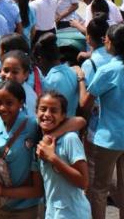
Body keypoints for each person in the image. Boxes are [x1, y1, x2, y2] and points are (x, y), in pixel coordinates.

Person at [78, 24, 124, 219]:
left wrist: (81, 80)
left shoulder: (109, 70)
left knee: (99, 189)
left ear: (110, 42)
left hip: (110, 138)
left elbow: (85, 103)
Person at [0, 80, 42, 219]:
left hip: (24, 209)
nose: (3, 108)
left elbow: (37, 190)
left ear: (21, 102)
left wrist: (2, 191)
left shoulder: (33, 126)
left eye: (9, 103)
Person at [36, 91, 90, 219]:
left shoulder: (69, 139)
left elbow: (84, 182)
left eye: (54, 111)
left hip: (73, 213)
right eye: (43, 109)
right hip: (52, 212)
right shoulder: (39, 137)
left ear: (63, 116)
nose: (47, 114)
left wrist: (53, 158)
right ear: (36, 112)